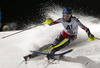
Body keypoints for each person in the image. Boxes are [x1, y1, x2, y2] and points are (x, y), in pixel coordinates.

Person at [24, 8, 95, 61]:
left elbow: (85, 28)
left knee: (66, 41)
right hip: (63, 34)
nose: (65, 18)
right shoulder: (61, 20)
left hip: (72, 36)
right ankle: (32, 55)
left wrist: (89, 34)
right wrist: (48, 21)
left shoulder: (75, 20)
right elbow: (51, 24)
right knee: (52, 44)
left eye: (67, 16)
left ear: (70, 16)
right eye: (64, 16)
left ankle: (53, 52)